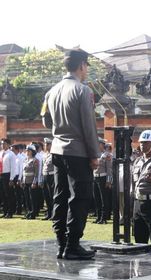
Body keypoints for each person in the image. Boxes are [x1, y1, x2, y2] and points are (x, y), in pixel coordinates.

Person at [41, 49, 99, 260]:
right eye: (86, 67)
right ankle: (73, 245)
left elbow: (46, 122)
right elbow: (88, 126)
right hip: (78, 152)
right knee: (80, 198)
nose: (86, 71)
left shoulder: (51, 91)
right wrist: (94, 154)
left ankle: (61, 244)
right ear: (82, 65)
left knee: (60, 196)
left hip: (57, 149)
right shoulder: (83, 91)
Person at [92, 137, 112, 224]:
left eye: (98, 143)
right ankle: (98, 216)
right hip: (95, 177)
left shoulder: (107, 155)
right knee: (97, 199)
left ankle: (104, 218)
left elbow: (109, 169)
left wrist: (108, 181)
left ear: (102, 145)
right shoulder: (96, 154)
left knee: (104, 199)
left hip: (103, 178)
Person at [22, 145, 40, 220]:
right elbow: (23, 171)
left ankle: (33, 213)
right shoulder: (25, 159)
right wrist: (22, 180)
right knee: (27, 199)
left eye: (28, 151)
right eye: (26, 151)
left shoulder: (35, 160)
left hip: (31, 181)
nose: (27, 152)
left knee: (32, 198)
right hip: (25, 181)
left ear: (32, 152)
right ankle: (29, 212)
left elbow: (36, 173)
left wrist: (34, 182)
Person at [0, 138, 17, 219]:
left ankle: (10, 212)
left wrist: (11, 179)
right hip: (1, 175)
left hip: (8, 175)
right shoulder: (1, 153)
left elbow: (13, 168)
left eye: (4, 144)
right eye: (1, 144)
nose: (2, 145)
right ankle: (5, 211)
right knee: (2, 194)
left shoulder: (11, 154)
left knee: (9, 195)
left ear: (8, 144)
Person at [41, 138, 55, 220]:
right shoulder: (45, 155)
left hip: (51, 176)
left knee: (52, 195)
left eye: (47, 144)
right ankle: (48, 213)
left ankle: (54, 214)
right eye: (45, 144)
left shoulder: (54, 154)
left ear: (50, 145)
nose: (45, 146)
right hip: (45, 175)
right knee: (46, 196)